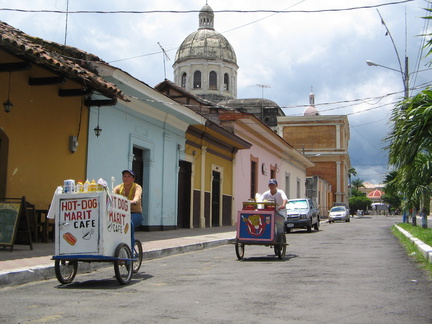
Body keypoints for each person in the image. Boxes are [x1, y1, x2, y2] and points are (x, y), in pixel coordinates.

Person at [113, 169, 143, 245]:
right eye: (124, 176)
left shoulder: (137, 187)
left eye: (129, 177)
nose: (126, 178)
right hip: (121, 213)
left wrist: (134, 201)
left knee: (128, 223)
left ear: (133, 179)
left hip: (135, 214)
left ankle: (131, 250)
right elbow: (112, 195)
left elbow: (137, 196)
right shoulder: (119, 188)